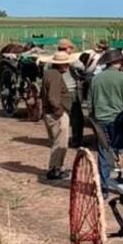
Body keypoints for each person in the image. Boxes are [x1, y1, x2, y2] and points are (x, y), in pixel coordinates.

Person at [89, 49, 123, 197]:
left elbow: (90, 103)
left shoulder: (96, 79)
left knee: (103, 154)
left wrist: (93, 119)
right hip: (118, 120)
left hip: (101, 120)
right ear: (119, 62)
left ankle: (104, 188)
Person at [41, 51, 72, 180]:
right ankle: (55, 169)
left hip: (50, 113)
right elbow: (53, 98)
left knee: (56, 141)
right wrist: (60, 112)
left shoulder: (49, 73)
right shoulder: (55, 76)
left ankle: (57, 167)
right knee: (60, 143)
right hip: (56, 114)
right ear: (63, 64)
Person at [56, 38, 84, 147]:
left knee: (61, 117)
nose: (71, 50)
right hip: (70, 91)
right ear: (67, 48)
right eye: (70, 48)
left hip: (58, 91)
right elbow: (81, 67)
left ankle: (61, 140)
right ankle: (76, 140)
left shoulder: (54, 59)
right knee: (77, 117)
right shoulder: (70, 58)